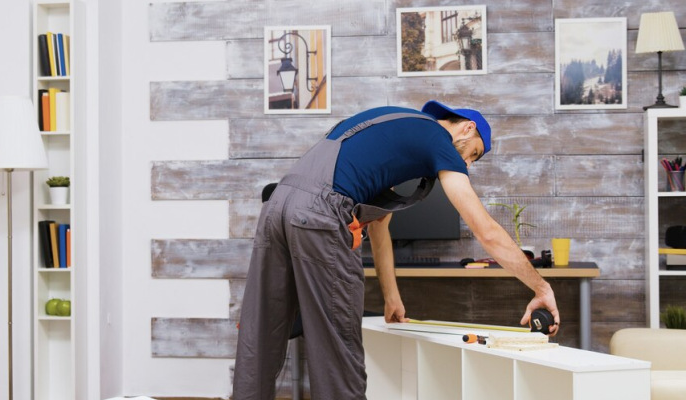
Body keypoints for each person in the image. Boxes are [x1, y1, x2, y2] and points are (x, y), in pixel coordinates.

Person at [232, 100, 560, 400]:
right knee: (337, 349)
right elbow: (485, 231)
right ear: (467, 128)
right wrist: (541, 287)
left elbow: (379, 227)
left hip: (277, 205)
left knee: (261, 330)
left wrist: (392, 297)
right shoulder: (438, 140)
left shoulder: (397, 127)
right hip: (319, 212)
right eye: (473, 154)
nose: (468, 165)